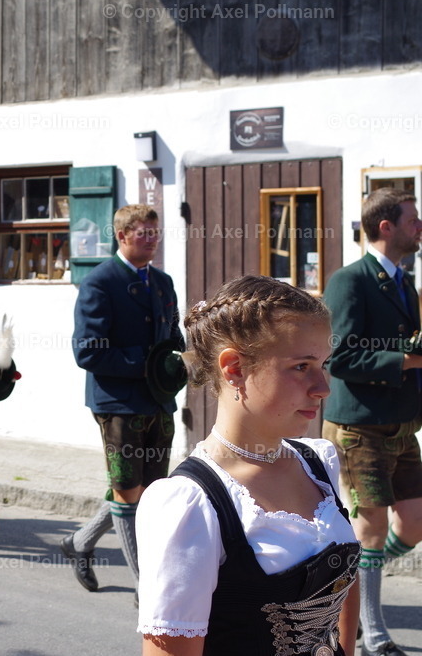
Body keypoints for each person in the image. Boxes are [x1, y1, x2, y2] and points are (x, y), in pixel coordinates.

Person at [137, 275, 360, 656]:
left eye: (323, 364)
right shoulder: (190, 503)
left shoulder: (317, 464)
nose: (323, 387)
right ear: (234, 368)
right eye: (302, 366)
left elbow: (345, 583)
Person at [322, 187, 422, 656]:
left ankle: (350, 592)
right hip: (359, 427)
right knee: (372, 531)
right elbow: (338, 356)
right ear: (387, 227)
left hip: (402, 424)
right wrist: (405, 360)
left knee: (415, 524)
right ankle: (374, 636)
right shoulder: (350, 281)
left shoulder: (405, 282)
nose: (418, 227)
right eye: (412, 219)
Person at [64, 204, 183, 596]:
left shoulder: (163, 282)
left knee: (146, 491)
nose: (152, 240)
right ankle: (147, 586)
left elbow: (172, 339)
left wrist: (182, 364)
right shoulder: (100, 282)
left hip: (158, 403)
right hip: (118, 404)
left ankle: (80, 542)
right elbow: (88, 351)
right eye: (143, 233)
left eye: (155, 232)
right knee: (128, 490)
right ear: (122, 236)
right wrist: (149, 365)